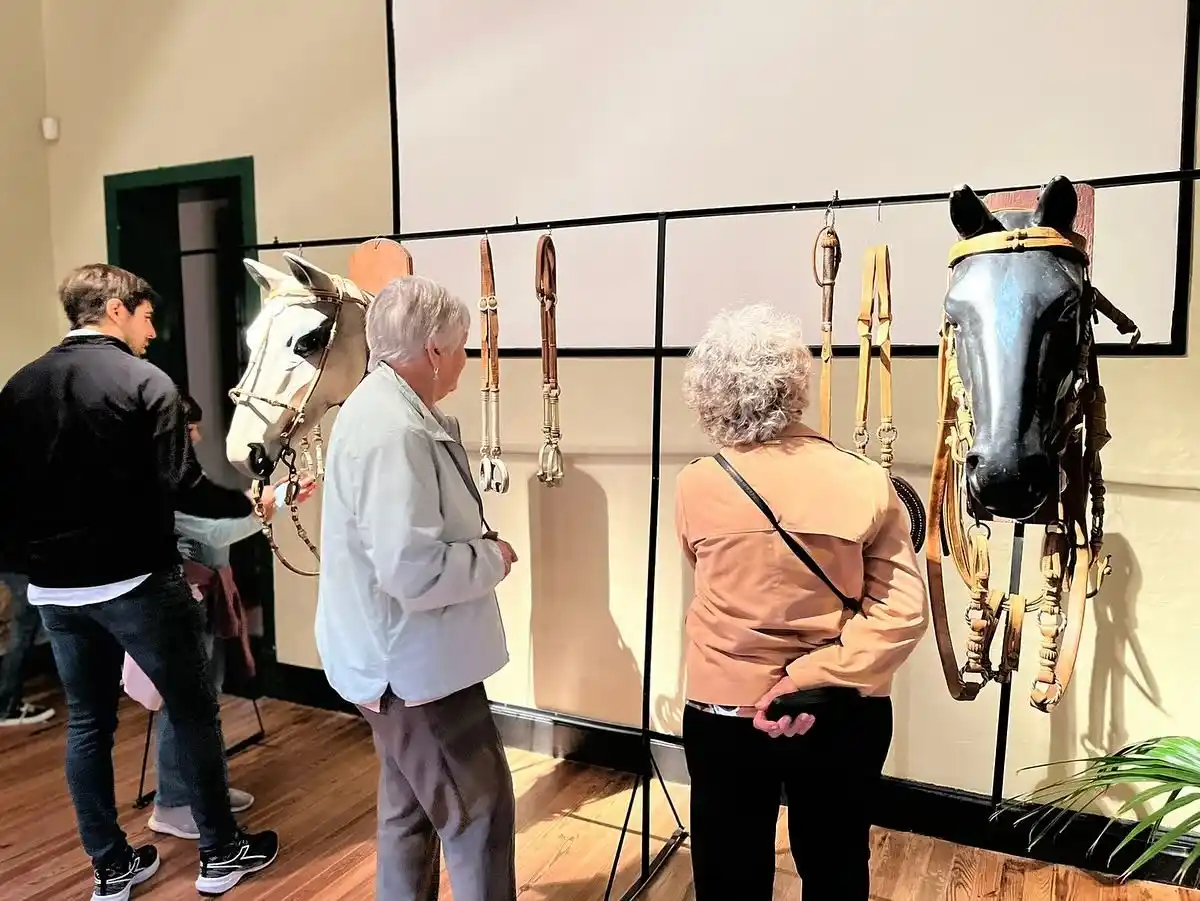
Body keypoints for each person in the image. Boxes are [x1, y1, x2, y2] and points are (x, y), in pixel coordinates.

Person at [0, 263, 279, 899]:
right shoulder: (144, 380)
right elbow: (183, 483)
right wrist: (251, 505)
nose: (153, 331)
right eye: (148, 316)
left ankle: (112, 868)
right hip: (136, 583)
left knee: (88, 726)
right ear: (118, 309)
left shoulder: (17, 387)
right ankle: (219, 855)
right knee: (192, 710)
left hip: (55, 593)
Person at [674, 303, 930, 901]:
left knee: (728, 870)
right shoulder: (869, 480)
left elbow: (704, 570)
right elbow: (903, 613)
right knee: (837, 861)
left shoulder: (697, 483)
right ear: (795, 383)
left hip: (727, 709)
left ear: (710, 392)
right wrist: (807, 676)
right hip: (841, 706)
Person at [315, 275, 519, 901]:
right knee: (478, 817)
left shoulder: (386, 409)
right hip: (415, 674)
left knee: (408, 815)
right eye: (461, 347)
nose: (465, 360)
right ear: (434, 350)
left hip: (401, 664)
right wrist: (492, 557)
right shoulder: (394, 430)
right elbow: (412, 570)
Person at [149, 394, 316, 841]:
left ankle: (207, 788)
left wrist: (258, 500)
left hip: (202, 597)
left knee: (206, 698)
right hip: (181, 600)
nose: (199, 436)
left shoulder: (178, 477)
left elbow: (215, 521)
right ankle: (172, 802)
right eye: (189, 429)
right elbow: (215, 530)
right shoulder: (158, 482)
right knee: (182, 706)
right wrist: (274, 500)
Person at [0, 571, 56, 726]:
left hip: (15, 563)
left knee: (24, 627)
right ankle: (6, 707)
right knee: (23, 628)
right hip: (17, 564)